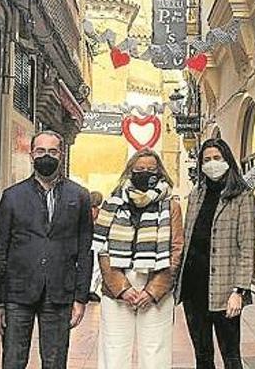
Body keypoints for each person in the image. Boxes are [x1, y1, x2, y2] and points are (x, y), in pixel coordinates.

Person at [0, 130, 93, 369]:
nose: (46, 156)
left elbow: (85, 249)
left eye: (52, 151)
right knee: (13, 360)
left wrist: (80, 298)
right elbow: (0, 249)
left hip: (60, 291)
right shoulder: (12, 196)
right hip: (17, 293)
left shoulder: (79, 196)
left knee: (55, 361)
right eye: (40, 151)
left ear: (61, 154)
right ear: (31, 155)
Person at [93, 149, 184, 368]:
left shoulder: (171, 206)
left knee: (155, 356)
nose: (145, 173)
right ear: (130, 172)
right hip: (117, 289)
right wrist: (122, 288)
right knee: (113, 353)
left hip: (156, 289)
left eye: (151, 170)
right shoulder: (113, 203)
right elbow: (102, 248)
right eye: (139, 169)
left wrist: (153, 291)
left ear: (160, 173)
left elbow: (176, 249)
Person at [175, 138, 255, 369]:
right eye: (207, 159)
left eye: (217, 158)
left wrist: (239, 291)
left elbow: (247, 247)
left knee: (231, 356)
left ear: (228, 160)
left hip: (225, 290)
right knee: (202, 356)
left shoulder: (242, 195)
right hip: (193, 288)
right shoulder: (196, 194)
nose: (212, 164)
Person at [88, 191, 104, 302]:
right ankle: (90, 289)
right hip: (93, 241)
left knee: (96, 267)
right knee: (95, 266)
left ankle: (91, 289)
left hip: (94, 241)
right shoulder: (95, 211)